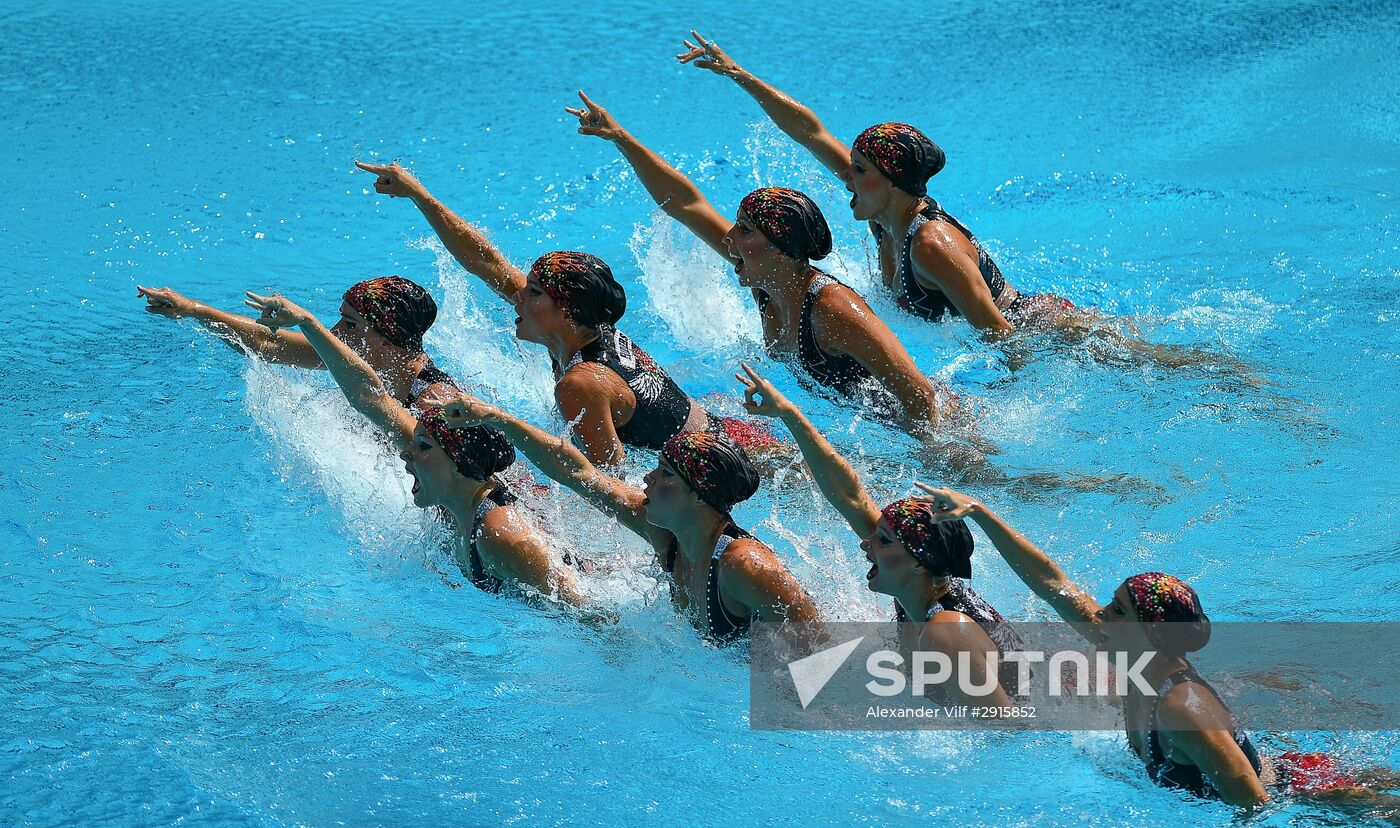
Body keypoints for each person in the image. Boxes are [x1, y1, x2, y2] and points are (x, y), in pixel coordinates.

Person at [676, 32, 1259, 374]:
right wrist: (738, 74)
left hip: (1050, 330)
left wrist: (1011, 391)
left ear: (891, 180)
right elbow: (811, 132)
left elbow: (1000, 334)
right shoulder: (883, 211)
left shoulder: (931, 245)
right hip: (1003, 321)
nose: (844, 178)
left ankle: (1236, 376)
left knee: (1160, 361)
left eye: (858, 170)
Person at [913, 485, 1389, 807]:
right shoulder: (1131, 654)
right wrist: (980, 512)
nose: (1099, 612)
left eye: (1118, 609)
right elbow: (1050, 582)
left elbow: (1254, 809)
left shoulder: (1184, 708)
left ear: (1152, 632)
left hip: (1317, 795)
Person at [564, 93, 953, 432]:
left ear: (781, 249)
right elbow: (685, 205)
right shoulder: (770, 281)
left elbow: (919, 395)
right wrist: (621, 138)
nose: (730, 238)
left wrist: (920, 453)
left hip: (942, 430)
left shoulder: (833, 309)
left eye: (745, 231)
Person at [354, 161, 781, 465]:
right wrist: (420, 196)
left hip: (742, 460)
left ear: (567, 314)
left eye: (534, 292)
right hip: (732, 436)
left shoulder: (580, 385)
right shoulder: (584, 332)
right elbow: (487, 262)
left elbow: (610, 486)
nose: (519, 296)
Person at [242, 290, 586, 606]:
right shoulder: (456, 501)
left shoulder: (500, 534)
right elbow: (367, 397)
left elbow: (590, 614)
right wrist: (307, 323)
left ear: (456, 459)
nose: (406, 452)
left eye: (421, 446)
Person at [418, 386, 820, 644]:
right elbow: (576, 471)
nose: (646, 477)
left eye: (664, 474)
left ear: (698, 495)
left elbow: (823, 650)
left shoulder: (744, 566)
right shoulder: (667, 535)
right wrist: (495, 417)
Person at [736, 364, 1017, 703]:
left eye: (883, 540)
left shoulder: (945, 631)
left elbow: (1010, 728)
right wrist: (789, 414)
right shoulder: (918, 588)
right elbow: (849, 495)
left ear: (918, 562)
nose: (865, 543)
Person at [138, 275, 458, 407]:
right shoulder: (367, 356)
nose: (335, 331)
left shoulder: (436, 400)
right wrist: (195, 310)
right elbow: (269, 344)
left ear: (388, 340)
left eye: (349, 323)